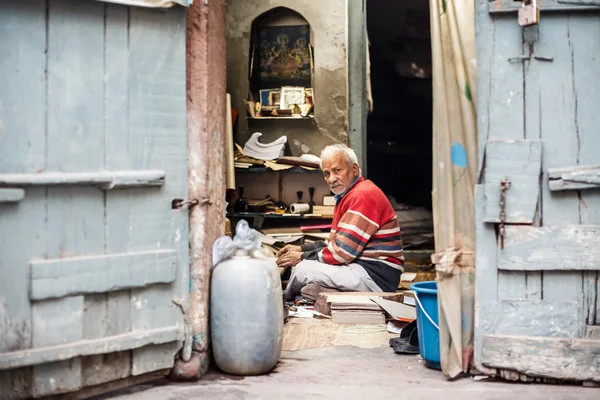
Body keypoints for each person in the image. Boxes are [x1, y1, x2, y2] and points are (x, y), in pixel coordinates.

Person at [277, 144, 404, 301]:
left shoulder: (363, 195)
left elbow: (341, 252)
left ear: (354, 170)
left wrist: (302, 256)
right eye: (326, 173)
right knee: (310, 289)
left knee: (302, 270)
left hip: (376, 277)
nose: (331, 179)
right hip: (361, 269)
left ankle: (282, 300)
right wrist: (301, 247)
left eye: (337, 170)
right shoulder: (347, 196)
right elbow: (336, 243)